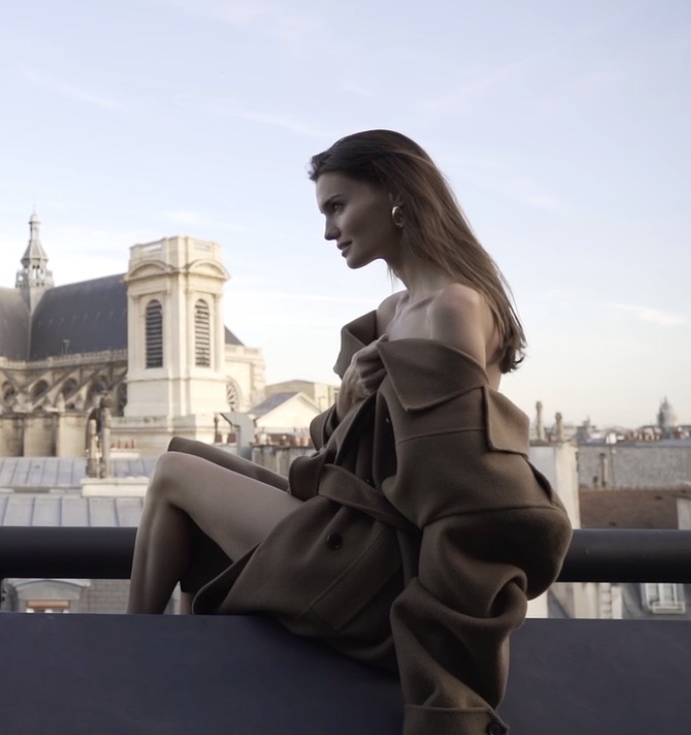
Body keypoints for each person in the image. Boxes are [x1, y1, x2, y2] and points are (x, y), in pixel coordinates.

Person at [127, 130, 573, 735]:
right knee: (188, 454)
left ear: (395, 194)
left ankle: (130, 653)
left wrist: (442, 658)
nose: (328, 230)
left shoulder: (454, 309)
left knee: (173, 475)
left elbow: (464, 489)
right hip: (348, 524)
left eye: (337, 206)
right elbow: (342, 448)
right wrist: (352, 393)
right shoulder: (395, 313)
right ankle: (160, 647)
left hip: (376, 564)